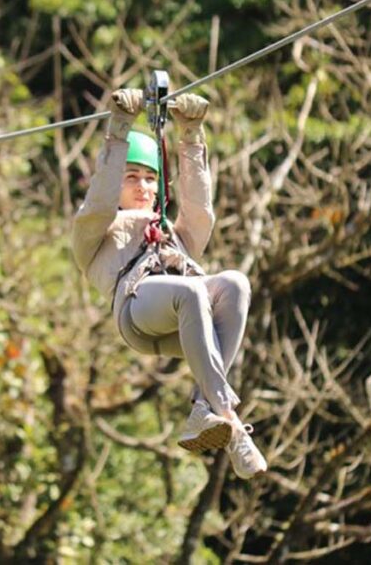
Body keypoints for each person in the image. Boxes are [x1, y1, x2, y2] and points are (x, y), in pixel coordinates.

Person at [71, 88, 268, 479]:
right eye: (132, 178)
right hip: (137, 314)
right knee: (193, 290)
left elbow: (199, 211)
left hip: (186, 322)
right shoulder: (97, 233)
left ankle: (204, 408)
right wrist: (119, 131)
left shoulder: (172, 234)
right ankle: (229, 417)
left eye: (150, 179)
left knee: (235, 283)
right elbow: (99, 202)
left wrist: (191, 137)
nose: (143, 187)